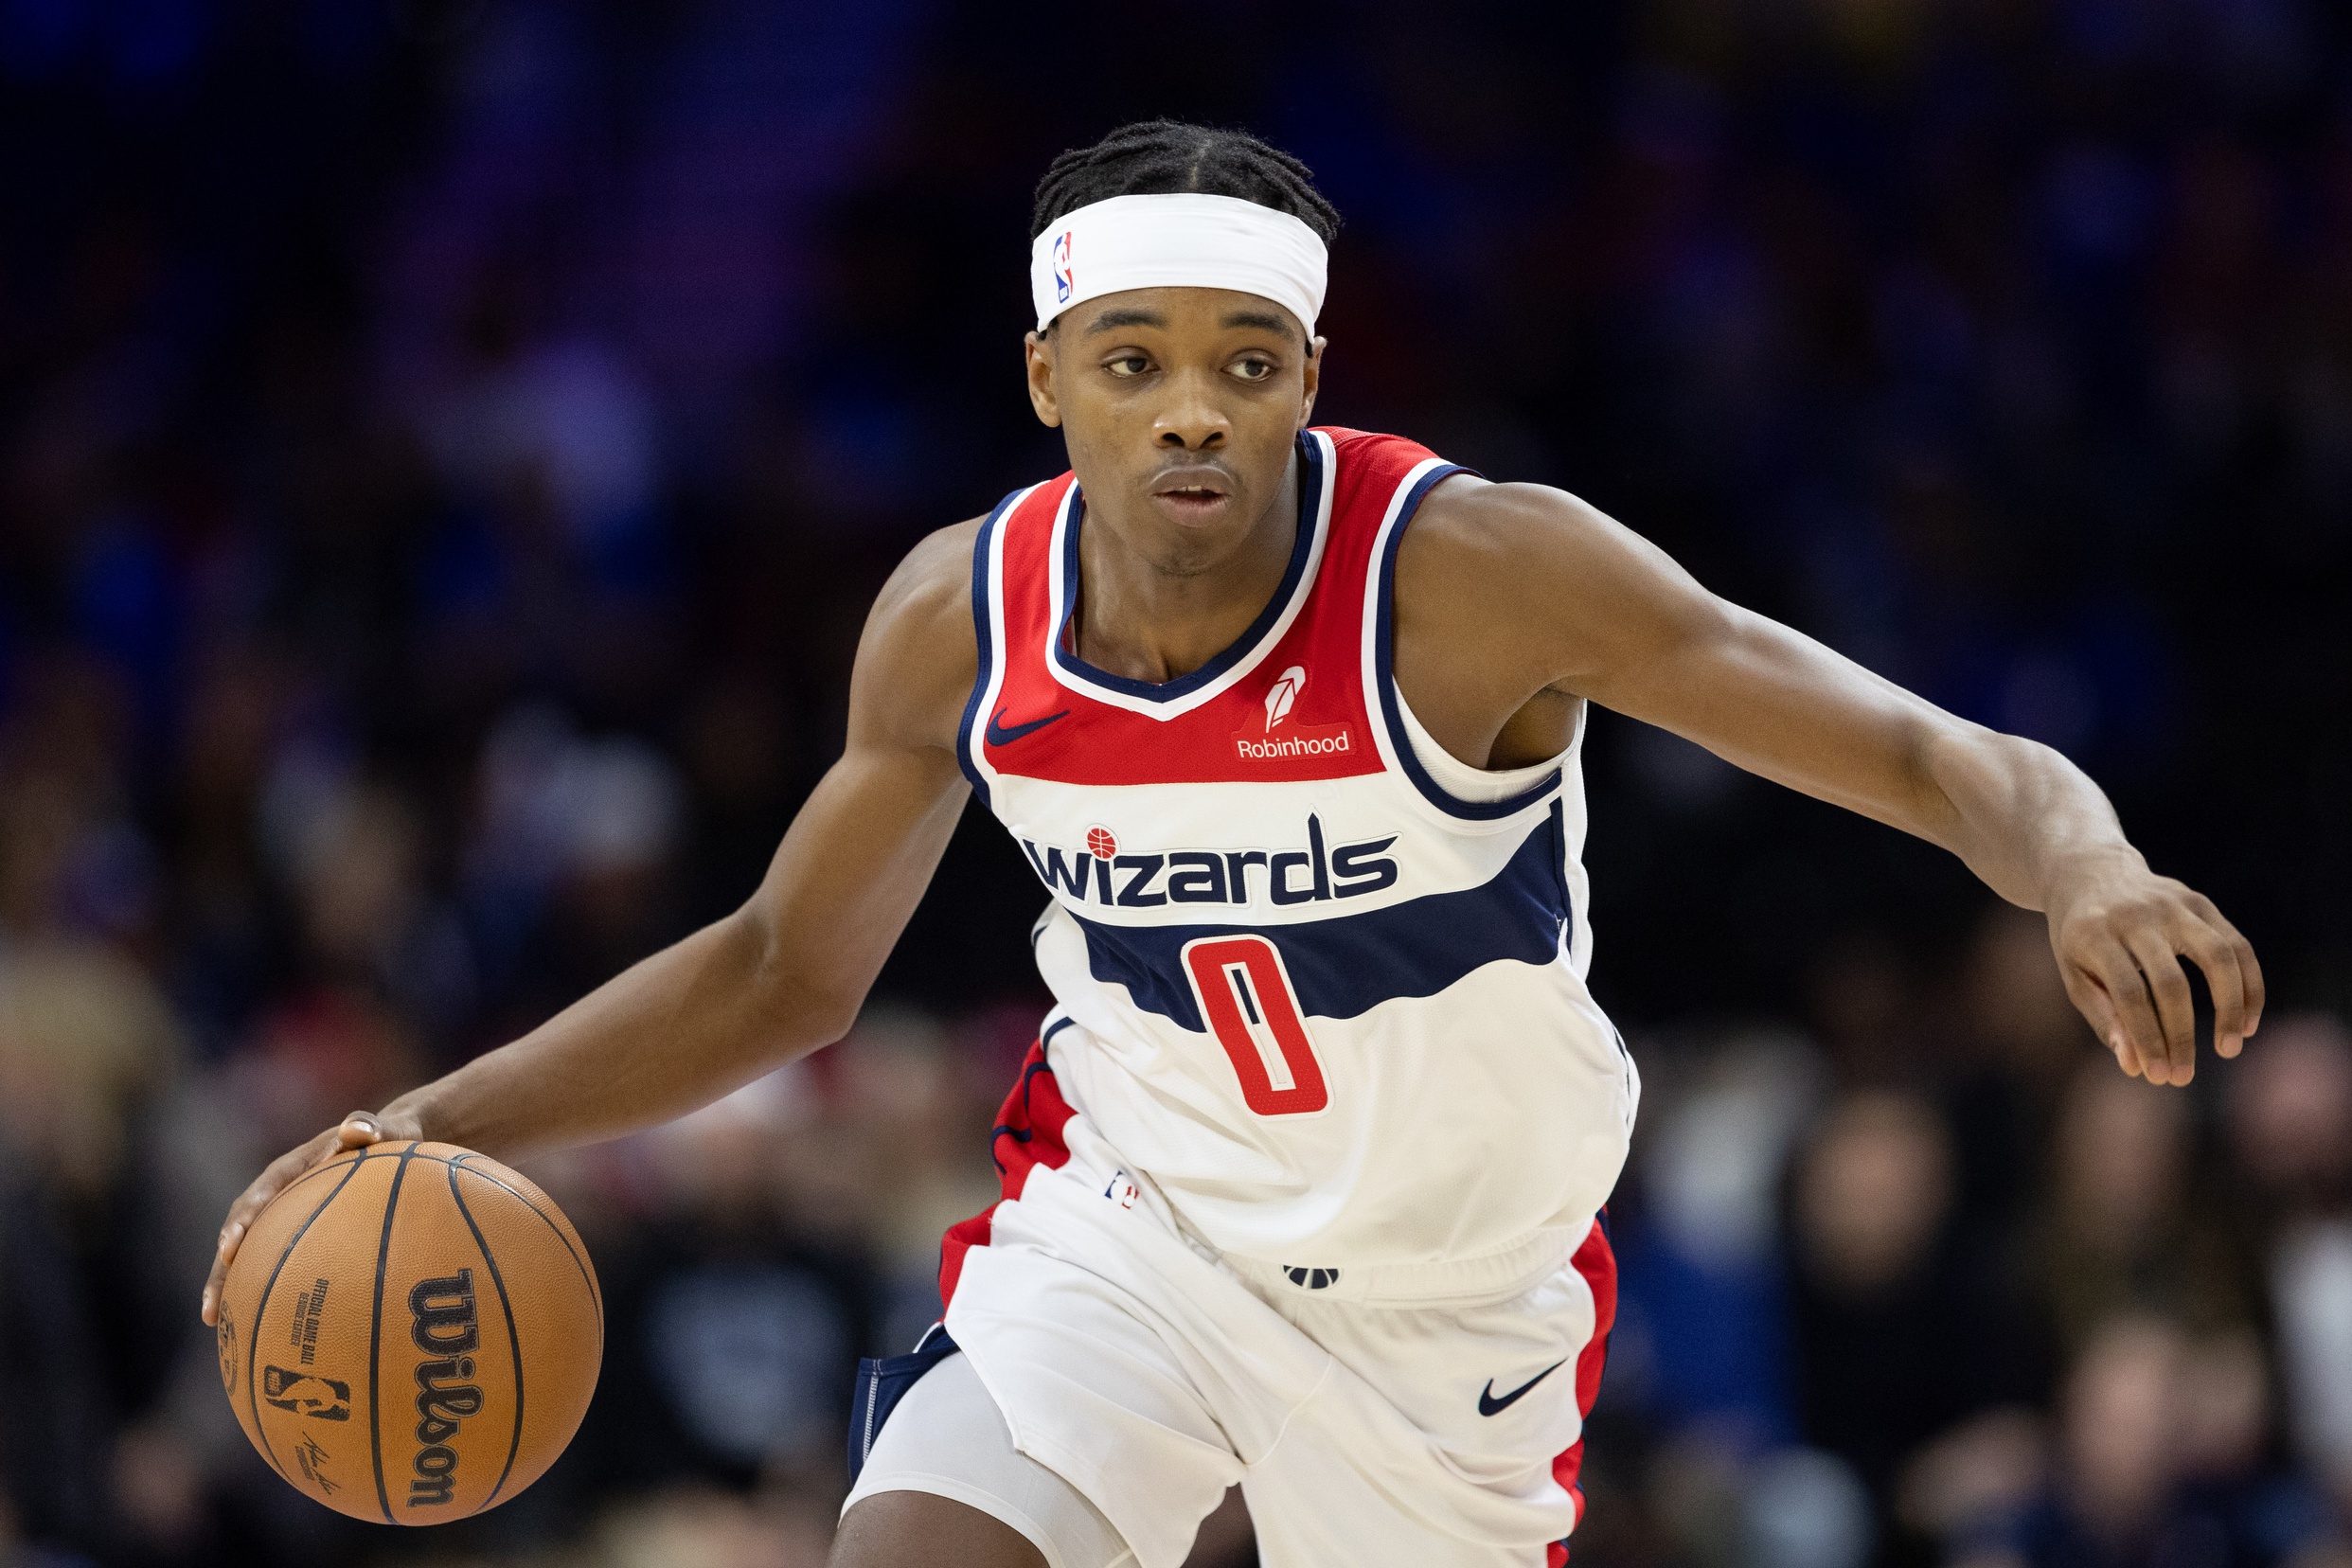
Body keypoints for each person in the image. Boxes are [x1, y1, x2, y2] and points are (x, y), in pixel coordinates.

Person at [201, 120, 2264, 1568]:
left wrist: (2080, 862)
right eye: (1134, 365)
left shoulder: (1473, 577)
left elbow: (1918, 749)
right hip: (1141, 1237)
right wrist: (431, 1123)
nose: (1191, 411)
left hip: (1452, 1310)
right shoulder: (960, 619)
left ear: (1306, 385)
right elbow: (779, 971)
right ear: (1048, 386)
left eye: (1242, 365)